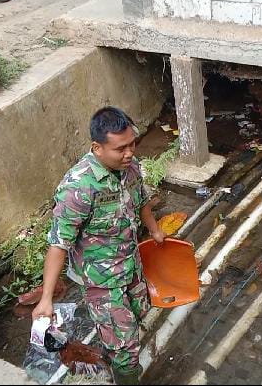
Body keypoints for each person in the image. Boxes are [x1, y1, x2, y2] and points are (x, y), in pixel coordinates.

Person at [32, 106, 165, 385]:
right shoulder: (78, 188)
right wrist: (46, 298)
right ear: (97, 147)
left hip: (131, 265)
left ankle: (110, 347)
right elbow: (58, 245)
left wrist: (154, 230)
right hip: (101, 282)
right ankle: (127, 377)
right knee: (126, 348)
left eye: (132, 144)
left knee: (140, 313)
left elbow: (140, 202)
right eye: (120, 148)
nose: (129, 153)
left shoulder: (130, 168)